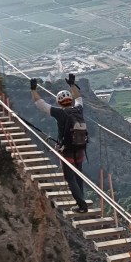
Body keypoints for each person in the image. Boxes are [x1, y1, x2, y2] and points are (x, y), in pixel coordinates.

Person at [31, 73, 89, 213]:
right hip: (80, 149)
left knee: (70, 178)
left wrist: (33, 90)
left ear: (58, 102)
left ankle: (82, 205)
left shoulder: (59, 113)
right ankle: (81, 200)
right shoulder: (78, 109)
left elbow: (40, 104)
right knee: (78, 175)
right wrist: (72, 85)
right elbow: (79, 98)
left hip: (67, 151)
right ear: (70, 100)